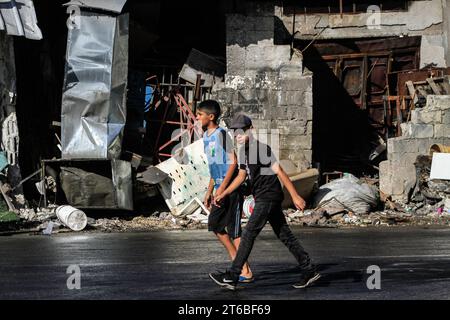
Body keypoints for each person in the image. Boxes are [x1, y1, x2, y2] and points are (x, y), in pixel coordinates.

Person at [209, 114, 320, 290]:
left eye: (241, 131)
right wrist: (223, 192)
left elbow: (280, 172)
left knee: (248, 234)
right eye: (234, 132)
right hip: (263, 197)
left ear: (251, 130)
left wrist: (296, 195)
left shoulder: (261, 149)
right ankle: (309, 269)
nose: (237, 135)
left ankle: (233, 275)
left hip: (269, 196)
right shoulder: (243, 151)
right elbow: (241, 176)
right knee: (284, 235)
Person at [196, 100, 253, 282]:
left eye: (199, 115)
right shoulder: (205, 136)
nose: (197, 118)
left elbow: (233, 162)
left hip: (230, 189)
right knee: (215, 225)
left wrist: (223, 188)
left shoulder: (221, 134)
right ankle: (239, 265)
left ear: (210, 117)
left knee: (233, 229)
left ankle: (244, 270)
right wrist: (209, 190)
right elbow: (214, 167)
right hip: (219, 188)